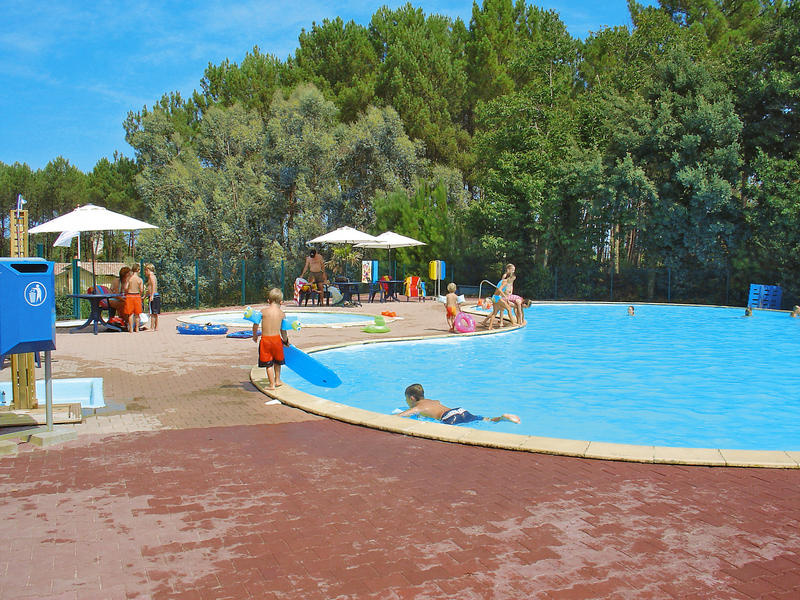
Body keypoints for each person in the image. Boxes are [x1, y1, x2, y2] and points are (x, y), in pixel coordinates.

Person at [397, 383, 520, 424]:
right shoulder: (434, 401)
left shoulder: (418, 408)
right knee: (486, 420)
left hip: (449, 417)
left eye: (406, 399)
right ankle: (501, 418)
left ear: (411, 398)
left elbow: (399, 416)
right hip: (460, 410)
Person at [253, 288, 289, 391]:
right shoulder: (282, 314)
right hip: (277, 340)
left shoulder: (263, 312)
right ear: (281, 302)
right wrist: (286, 341)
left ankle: (272, 384)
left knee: (268, 363)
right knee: (277, 361)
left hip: (266, 340)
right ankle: (277, 380)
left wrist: (254, 335)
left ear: (268, 301)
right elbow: (283, 330)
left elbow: (255, 324)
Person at [125, 264, 145, 332]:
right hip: (137, 296)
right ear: (138, 270)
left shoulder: (129, 279)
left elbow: (126, 287)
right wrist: (140, 294)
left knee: (130, 314)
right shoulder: (140, 279)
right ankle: (137, 328)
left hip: (129, 296)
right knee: (137, 314)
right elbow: (141, 290)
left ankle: (131, 329)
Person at [144, 263, 160, 332]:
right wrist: (145, 296)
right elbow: (149, 288)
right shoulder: (153, 276)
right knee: (155, 313)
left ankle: (152, 327)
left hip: (153, 296)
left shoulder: (151, 276)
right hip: (156, 295)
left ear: (148, 270)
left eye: (145, 270)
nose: (145, 272)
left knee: (152, 313)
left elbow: (153, 286)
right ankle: (156, 327)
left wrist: (152, 295)